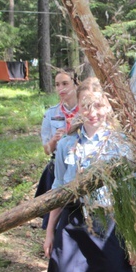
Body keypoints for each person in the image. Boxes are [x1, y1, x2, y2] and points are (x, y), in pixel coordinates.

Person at [36, 78, 136, 272]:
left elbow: (132, 196)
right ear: (78, 109)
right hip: (74, 227)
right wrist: (50, 230)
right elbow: (57, 189)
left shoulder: (120, 145)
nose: (92, 112)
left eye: (98, 105)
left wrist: (134, 239)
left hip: (110, 228)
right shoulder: (67, 144)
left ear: (107, 107)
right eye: (86, 106)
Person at [35, 68, 78, 229]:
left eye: (65, 83)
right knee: (55, 215)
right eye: (57, 85)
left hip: (80, 169)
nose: (61, 89)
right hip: (58, 169)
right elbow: (46, 150)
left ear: (75, 84)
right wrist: (54, 140)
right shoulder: (51, 113)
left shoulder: (87, 111)